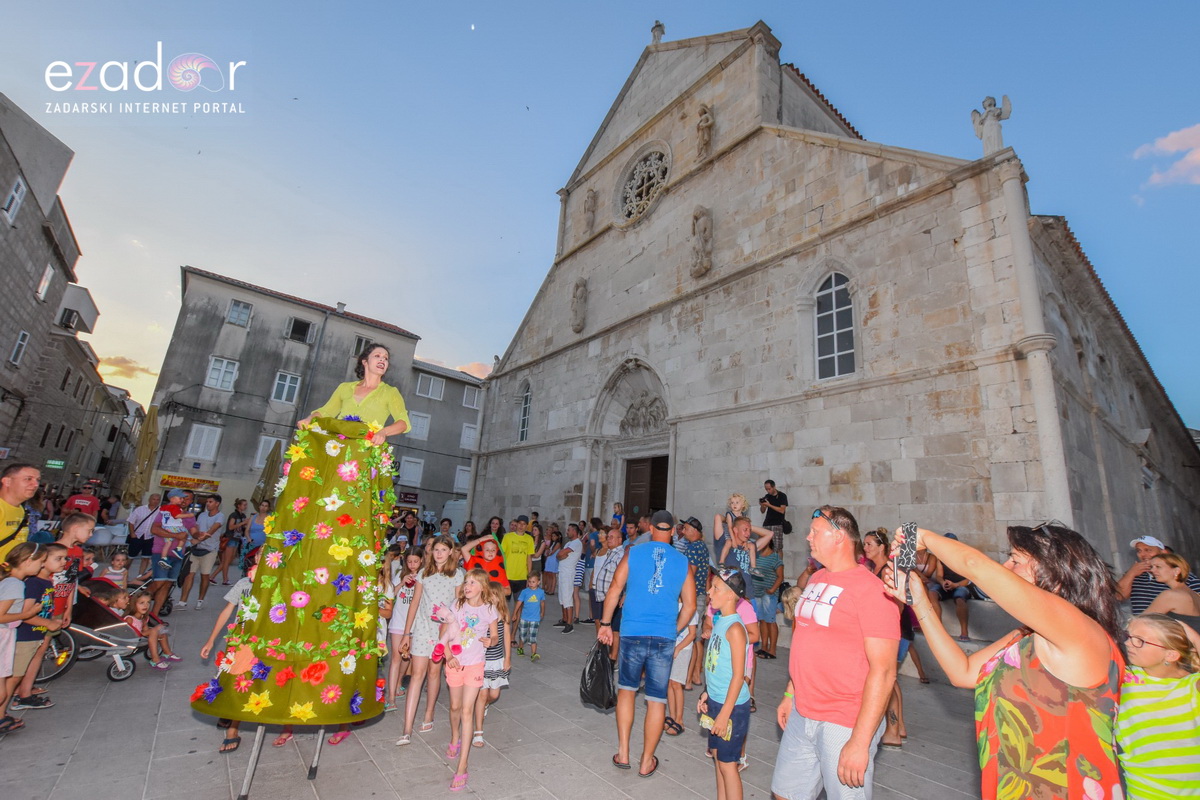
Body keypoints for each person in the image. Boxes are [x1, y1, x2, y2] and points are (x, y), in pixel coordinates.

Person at [189, 341, 409, 730]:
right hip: (335, 459)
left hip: (361, 461)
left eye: (386, 359)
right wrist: (311, 420)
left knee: (350, 523)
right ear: (364, 361)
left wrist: (382, 433)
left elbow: (403, 422)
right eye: (378, 356)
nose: (383, 361)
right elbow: (325, 412)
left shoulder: (390, 393)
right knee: (316, 509)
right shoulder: (346, 389)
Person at [885, 523, 1124, 800]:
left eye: (1015, 560)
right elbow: (962, 672)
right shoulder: (1024, 636)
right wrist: (918, 601)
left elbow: (975, 566)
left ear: (1056, 574)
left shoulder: (1081, 632)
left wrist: (922, 537)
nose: (1005, 567)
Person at [772, 507, 899, 800]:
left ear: (839, 537)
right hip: (803, 710)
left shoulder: (874, 591)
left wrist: (860, 741)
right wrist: (791, 693)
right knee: (785, 794)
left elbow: (884, 671)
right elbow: (806, 640)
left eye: (815, 532)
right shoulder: (816, 579)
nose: (808, 537)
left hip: (845, 719)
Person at [598, 509, 697, 778]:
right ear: (673, 531)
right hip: (663, 636)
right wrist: (673, 629)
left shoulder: (633, 553)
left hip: (632, 632)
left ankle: (623, 752)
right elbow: (690, 606)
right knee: (656, 699)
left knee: (627, 691)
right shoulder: (682, 562)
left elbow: (615, 588)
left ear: (650, 529)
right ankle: (646, 761)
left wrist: (605, 624)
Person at [1115, 613, 1200, 797]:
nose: (1128, 643)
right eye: (1128, 636)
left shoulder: (1191, 685)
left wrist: (1193, 636)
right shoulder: (1126, 676)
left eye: (1140, 641)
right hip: (1146, 789)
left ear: (1171, 654)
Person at [396, 536, 465, 746]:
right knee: (417, 675)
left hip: (443, 630)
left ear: (451, 551)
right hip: (422, 627)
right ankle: (407, 728)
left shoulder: (457, 574)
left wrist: (454, 633)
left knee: (434, 673)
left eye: (444, 549)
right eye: (436, 549)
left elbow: (458, 606)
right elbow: (415, 603)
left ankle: (429, 713)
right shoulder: (423, 573)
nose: (439, 553)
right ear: (431, 552)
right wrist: (406, 634)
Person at [442, 568, 500, 791]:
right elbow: (445, 634)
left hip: (475, 665)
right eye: (466, 582)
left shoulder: (489, 609)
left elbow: (495, 636)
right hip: (455, 663)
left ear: (483, 587)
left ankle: (462, 766)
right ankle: (454, 737)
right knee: (455, 707)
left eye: (473, 583)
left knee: (467, 711)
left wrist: (491, 641)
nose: (467, 586)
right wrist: (448, 655)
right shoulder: (457, 606)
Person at [698, 570, 753, 800]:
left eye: (716, 588)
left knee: (729, 764)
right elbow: (716, 665)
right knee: (718, 758)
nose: (710, 592)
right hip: (717, 700)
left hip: (732, 707)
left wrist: (724, 715)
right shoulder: (720, 621)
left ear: (731, 595)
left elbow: (738, 675)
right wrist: (706, 693)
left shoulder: (735, 629)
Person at [10, 543, 68, 712]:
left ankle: (25, 695)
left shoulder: (45, 581)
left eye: (65, 558)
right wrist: (48, 623)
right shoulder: (34, 583)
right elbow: (25, 613)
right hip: (25, 635)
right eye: (58, 558)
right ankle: (15, 701)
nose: (64, 562)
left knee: (28, 665)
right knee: (15, 675)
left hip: (36, 634)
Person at [0, 542, 51, 732]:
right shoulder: (14, 584)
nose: (42, 565)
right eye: (41, 561)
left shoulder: (13, 581)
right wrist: (27, 614)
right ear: (28, 561)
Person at [1117, 535, 1200, 614]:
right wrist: (1131, 573)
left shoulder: (1183, 576)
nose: (1143, 554)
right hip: (1141, 623)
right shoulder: (1134, 575)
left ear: (1163, 553)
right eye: (1139, 551)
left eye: (1148, 550)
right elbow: (1118, 596)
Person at [474, 579, 511, 746]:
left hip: (496, 660)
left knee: (494, 694)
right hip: (481, 660)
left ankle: (483, 705)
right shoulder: (482, 614)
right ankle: (478, 733)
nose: (492, 598)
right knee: (482, 694)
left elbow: (507, 637)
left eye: (495, 595)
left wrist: (507, 658)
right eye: (489, 595)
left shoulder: (503, 615)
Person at [386, 548, 422, 711]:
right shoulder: (400, 574)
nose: (412, 565)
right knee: (396, 657)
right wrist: (401, 582)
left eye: (416, 561)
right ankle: (391, 698)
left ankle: (399, 682)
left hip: (415, 624)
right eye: (409, 561)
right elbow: (390, 595)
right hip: (398, 622)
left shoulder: (424, 576)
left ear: (421, 561)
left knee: (407, 657)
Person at [179, 493, 224, 610]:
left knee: (205, 575)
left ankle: (200, 600)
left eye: (210, 502)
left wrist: (197, 540)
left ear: (217, 504)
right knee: (189, 574)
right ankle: (183, 601)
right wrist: (194, 538)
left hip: (210, 550)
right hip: (196, 548)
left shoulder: (220, 516)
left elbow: (212, 530)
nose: (208, 504)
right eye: (207, 502)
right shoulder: (202, 515)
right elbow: (197, 529)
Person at [750, 536, 783, 660]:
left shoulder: (775, 557)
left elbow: (780, 576)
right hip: (757, 593)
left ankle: (772, 650)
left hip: (769, 594)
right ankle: (764, 647)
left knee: (770, 620)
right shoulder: (756, 556)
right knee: (762, 620)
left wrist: (772, 590)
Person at [0, 464, 40, 563]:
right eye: (28, 479)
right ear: (7, 481)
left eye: (38, 480)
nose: (35, 484)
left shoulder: (21, 510)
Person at [1143, 552, 1200, 621]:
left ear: (1176, 571)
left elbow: (1142, 621)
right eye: (1152, 567)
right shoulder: (1195, 595)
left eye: (1158, 567)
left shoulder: (1170, 595)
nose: (1152, 570)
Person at [554, 523, 584, 633]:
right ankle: (565, 618)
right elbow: (559, 555)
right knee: (562, 597)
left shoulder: (577, 543)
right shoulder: (568, 543)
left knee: (567, 598)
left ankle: (569, 624)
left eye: (569, 530)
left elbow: (562, 553)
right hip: (562, 571)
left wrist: (561, 555)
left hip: (568, 573)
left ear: (574, 531)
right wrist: (561, 555)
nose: (567, 532)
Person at [125, 492, 161, 578]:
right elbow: (131, 521)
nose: (155, 501)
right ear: (149, 500)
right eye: (154, 499)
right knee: (130, 557)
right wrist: (132, 533)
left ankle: (140, 576)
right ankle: (124, 574)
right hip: (138, 535)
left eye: (157, 500)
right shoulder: (140, 509)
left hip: (150, 537)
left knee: (146, 557)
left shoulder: (161, 511)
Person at [214, 498, 248, 585]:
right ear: (239, 506)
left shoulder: (243, 516)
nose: (245, 506)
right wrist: (243, 523)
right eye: (244, 505)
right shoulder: (234, 515)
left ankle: (212, 576)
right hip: (230, 538)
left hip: (237, 539)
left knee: (228, 560)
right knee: (227, 561)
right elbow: (230, 527)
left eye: (246, 505)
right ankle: (225, 579)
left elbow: (243, 528)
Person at [500, 516, 534, 600]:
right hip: (507, 574)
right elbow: (501, 555)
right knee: (503, 602)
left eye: (524, 524)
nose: (521, 526)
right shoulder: (507, 537)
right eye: (519, 523)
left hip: (521, 576)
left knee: (519, 601)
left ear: (527, 526)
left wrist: (529, 575)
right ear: (517, 524)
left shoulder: (529, 539)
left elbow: (529, 558)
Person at [513, 572, 545, 660]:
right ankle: (520, 647)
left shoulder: (541, 592)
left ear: (538, 582)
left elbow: (542, 602)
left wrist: (542, 612)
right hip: (524, 618)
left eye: (533, 582)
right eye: (529, 581)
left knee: (533, 637)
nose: (531, 584)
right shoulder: (525, 592)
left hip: (535, 618)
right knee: (523, 636)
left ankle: (534, 653)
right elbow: (519, 602)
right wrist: (515, 613)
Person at [758, 479, 788, 552]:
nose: (768, 491)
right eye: (766, 489)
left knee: (777, 548)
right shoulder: (767, 496)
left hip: (777, 524)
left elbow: (782, 510)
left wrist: (769, 505)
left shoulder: (782, 496)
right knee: (766, 546)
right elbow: (762, 511)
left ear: (774, 487)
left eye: (769, 489)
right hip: (767, 523)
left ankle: (779, 560)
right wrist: (762, 505)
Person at [540, 528, 562, 595]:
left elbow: (552, 552)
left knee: (553, 575)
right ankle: (548, 588)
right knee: (549, 574)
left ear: (557, 537)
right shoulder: (553, 543)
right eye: (552, 536)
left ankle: (552, 590)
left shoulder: (558, 543)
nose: (553, 537)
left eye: (554, 536)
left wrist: (548, 554)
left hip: (553, 560)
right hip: (550, 559)